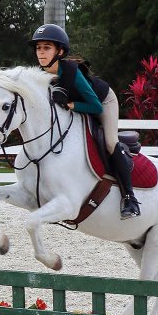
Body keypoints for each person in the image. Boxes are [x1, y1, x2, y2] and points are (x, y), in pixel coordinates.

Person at [30, 23, 141, 219]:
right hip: (80, 105)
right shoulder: (41, 75)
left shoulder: (72, 71)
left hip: (103, 100)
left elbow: (95, 107)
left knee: (109, 142)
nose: (41, 52)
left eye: (47, 47)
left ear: (60, 51)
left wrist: (71, 105)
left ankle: (130, 199)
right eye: (38, 47)